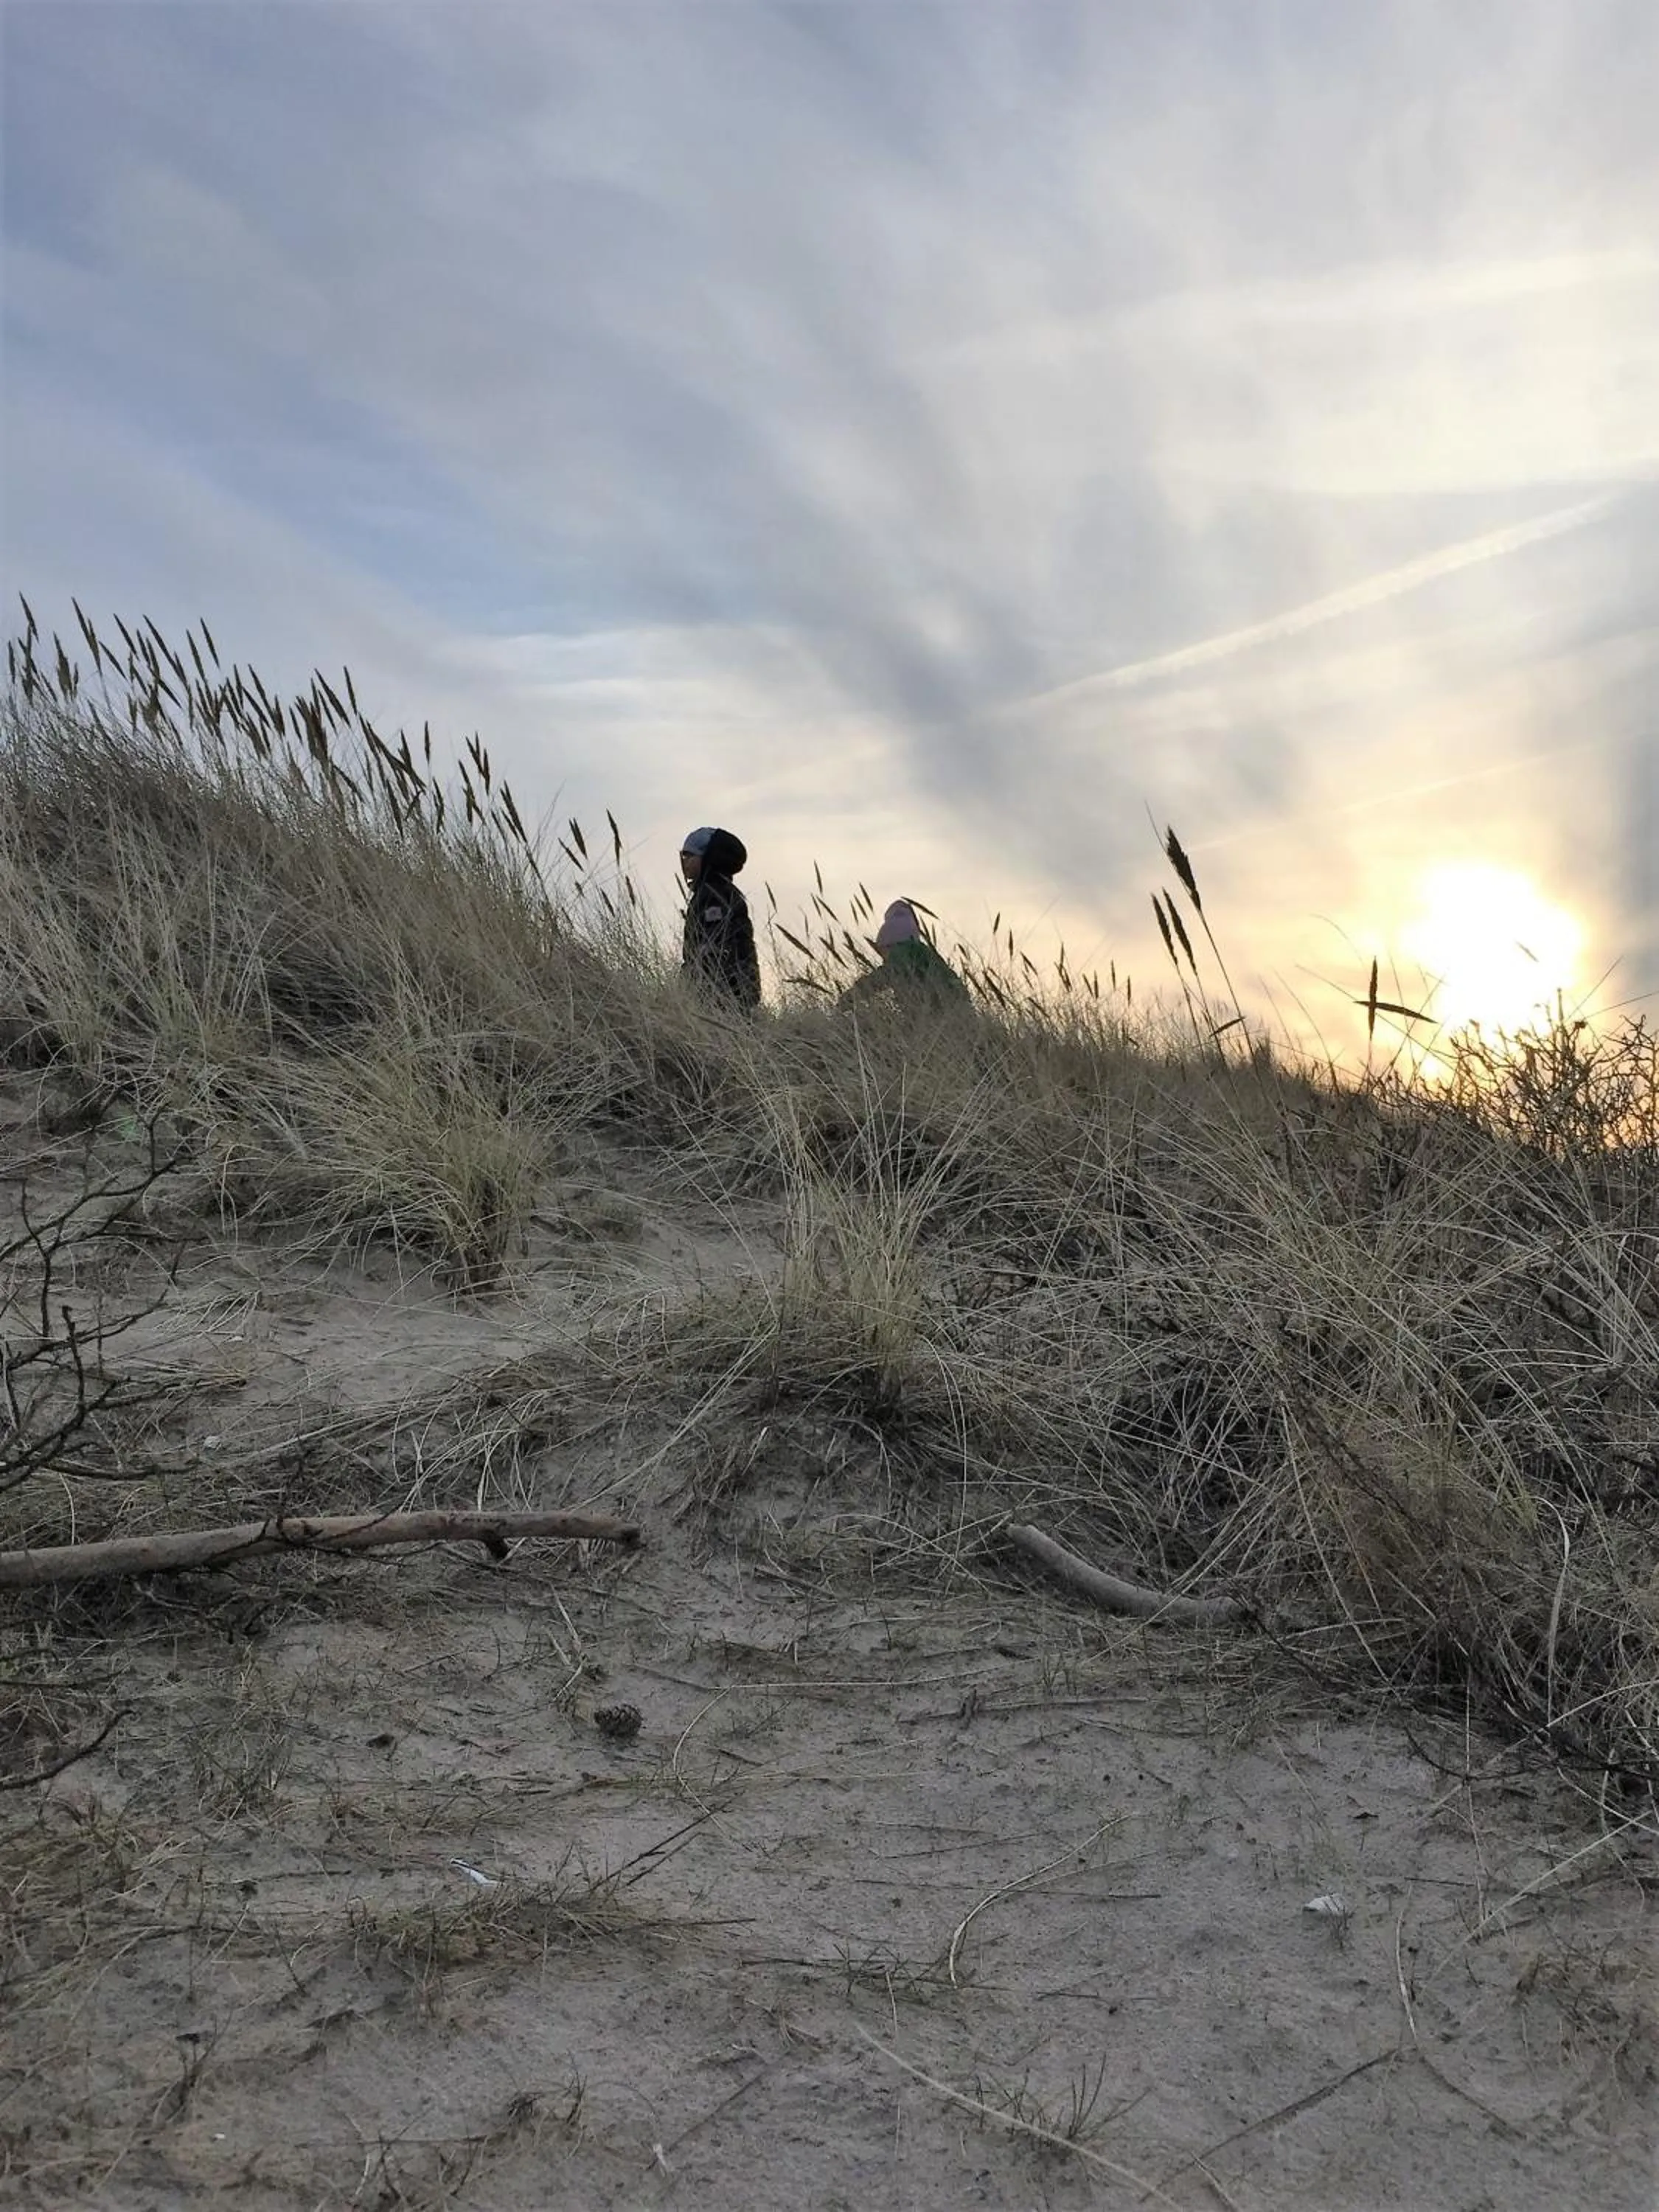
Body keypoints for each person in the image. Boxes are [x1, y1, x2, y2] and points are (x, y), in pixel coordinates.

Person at [680, 826, 762, 1010]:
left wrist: (690, 990)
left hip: (724, 997)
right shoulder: (717, 891)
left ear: (707, 858)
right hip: (735, 993)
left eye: (690, 856)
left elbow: (711, 950)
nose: (685, 862)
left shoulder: (714, 894)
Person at [841, 899, 971, 1010]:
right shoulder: (925, 953)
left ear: (889, 944)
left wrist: (849, 998)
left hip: (936, 1018)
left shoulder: (901, 956)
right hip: (959, 1014)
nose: (883, 958)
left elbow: (880, 978)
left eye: (882, 952)